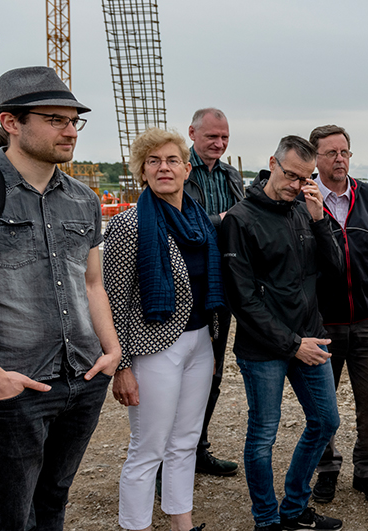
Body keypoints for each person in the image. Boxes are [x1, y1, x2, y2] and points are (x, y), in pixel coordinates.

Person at [0, 65, 121, 529]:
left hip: (82, 379)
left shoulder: (83, 198)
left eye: (74, 121)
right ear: (11, 122)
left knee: (54, 501)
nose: (70, 131)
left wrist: (111, 351)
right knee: (5, 514)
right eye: (55, 119)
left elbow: (92, 283)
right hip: (13, 386)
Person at [220, 136, 342, 531]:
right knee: (262, 436)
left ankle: (294, 508)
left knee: (326, 421)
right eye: (291, 175)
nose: (296, 185)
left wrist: (320, 219)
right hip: (264, 348)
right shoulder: (240, 219)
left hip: (310, 335)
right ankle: (267, 519)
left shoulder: (305, 211)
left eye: (305, 178)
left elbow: (335, 271)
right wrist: (292, 345)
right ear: (272, 163)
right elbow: (242, 299)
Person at [106, 128, 224, 531]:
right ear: (142, 172)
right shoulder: (128, 225)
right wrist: (121, 366)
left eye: (172, 160)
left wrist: (210, 346)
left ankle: (182, 524)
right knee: (148, 448)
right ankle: (135, 526)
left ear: (187, 169)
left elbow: (207, 290)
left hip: (199, 343)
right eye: (153, 161)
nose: (163, 168)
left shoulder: (199, 222)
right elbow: (113, 302)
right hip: (153, 347)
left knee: (185, 441)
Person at [308, 125, 368, 507]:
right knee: (323, 404)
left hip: (367, 319)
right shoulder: (304, 199)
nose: (340, 159)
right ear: (316, 159)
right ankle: (326, 468)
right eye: (331, 153)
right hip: (323, 323)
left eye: (344, 152)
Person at [184, 107, 245, 477]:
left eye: (224, 137)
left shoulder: (231, 175)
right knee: (177, 373)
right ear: (192, 133)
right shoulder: (178, 169)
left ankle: (197, 449)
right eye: (212, 136)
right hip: (186, 285)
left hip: (222, 284)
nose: (219, 144)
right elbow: (176, 224)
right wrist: (219, 221)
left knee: (212, 372)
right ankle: (166, 460)